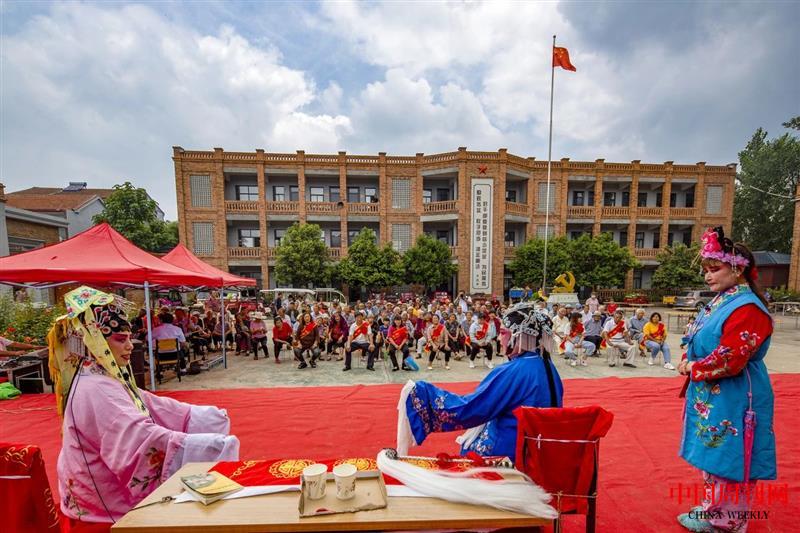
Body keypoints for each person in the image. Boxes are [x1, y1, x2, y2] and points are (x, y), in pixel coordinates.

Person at [50, 287, 239, 529]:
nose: (130, 346)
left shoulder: (98, 375)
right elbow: (137, 438)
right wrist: (208, 445)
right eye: (121, 339)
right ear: (94, 341)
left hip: (94, 495)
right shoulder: (97, 387)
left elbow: (152, 404)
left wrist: (205, 417)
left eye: (129, 337)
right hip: (104, 513)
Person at [676, 227, 776, 533]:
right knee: (714, 453)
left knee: (731, 455)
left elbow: (730, 358)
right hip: (715, 392)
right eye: (706, 270)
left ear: (738, 269)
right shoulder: (723, 300)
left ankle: (727, 521)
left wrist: (692, 366)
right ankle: (713, 509)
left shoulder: (747, 308)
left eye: (714, 269)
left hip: (736, 392)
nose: (708, 276)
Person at [396, 302, 563, 460]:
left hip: (514, 450)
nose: (499, 339)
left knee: (468, 450)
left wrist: (422, 393)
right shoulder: (547, 366)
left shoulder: (514, 371)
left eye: (503, 333)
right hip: (540, 446)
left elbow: (472, 408)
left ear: (518, 336)